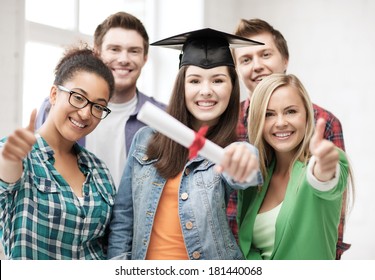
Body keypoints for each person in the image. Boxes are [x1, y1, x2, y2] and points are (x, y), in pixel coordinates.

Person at [107, 28, 263, 260]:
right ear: (182, 86)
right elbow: (123, 218)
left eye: (218, 80)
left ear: (232, 87)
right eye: (195, 80)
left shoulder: (233, 148)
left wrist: (245, 160)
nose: (206, 91)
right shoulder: (145, 140)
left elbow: (244, 171)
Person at [227, 18, 349, 259]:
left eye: (265, 54)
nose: (257, 66)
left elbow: (329, 196)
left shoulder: (324, 121)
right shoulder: (228, 125)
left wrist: (324, 167)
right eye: (246, 59)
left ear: (285, 59)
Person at [0, 45, 116, 259]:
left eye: (98, 107)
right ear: (54, 94)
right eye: (78, 97)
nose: (85, 114)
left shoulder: (100, 171)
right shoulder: (18, 154)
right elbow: (6, 177)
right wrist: (9, 159)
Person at [35, 12, 166, 188]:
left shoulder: (163, 118)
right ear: (97, 52)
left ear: (145, 58)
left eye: (134, 51)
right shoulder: (57, 107)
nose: (124, 59)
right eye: (114, 49)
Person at [237, 73, 353, 259]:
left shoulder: (317, 166)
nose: (281, 122)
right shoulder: (256, 180)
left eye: (291, 111)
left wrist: (323, 165)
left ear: (307, 115)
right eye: (269, 114)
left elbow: (325, 180)